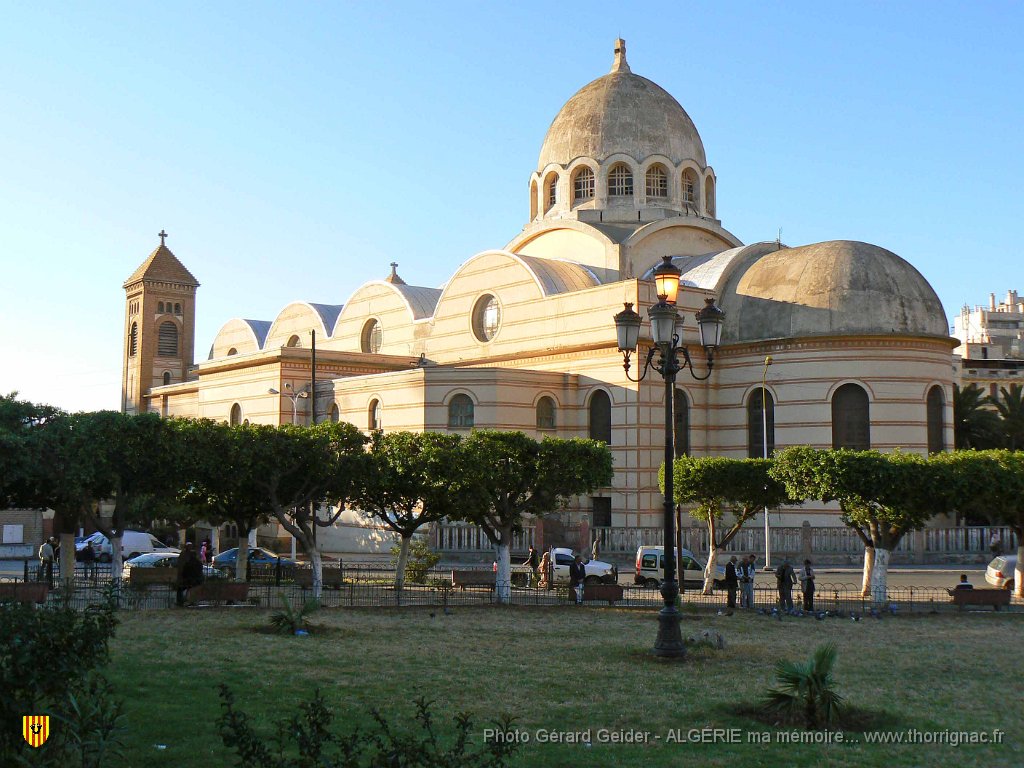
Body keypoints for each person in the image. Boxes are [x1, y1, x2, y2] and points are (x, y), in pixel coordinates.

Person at [175, 542, 204, 607]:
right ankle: (186, 601)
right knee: (184, 589)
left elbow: (183, 570)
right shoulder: (196, 562)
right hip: (195, 580)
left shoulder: (189, 562)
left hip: (190, 580)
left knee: (181, 589)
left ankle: (181, 602)